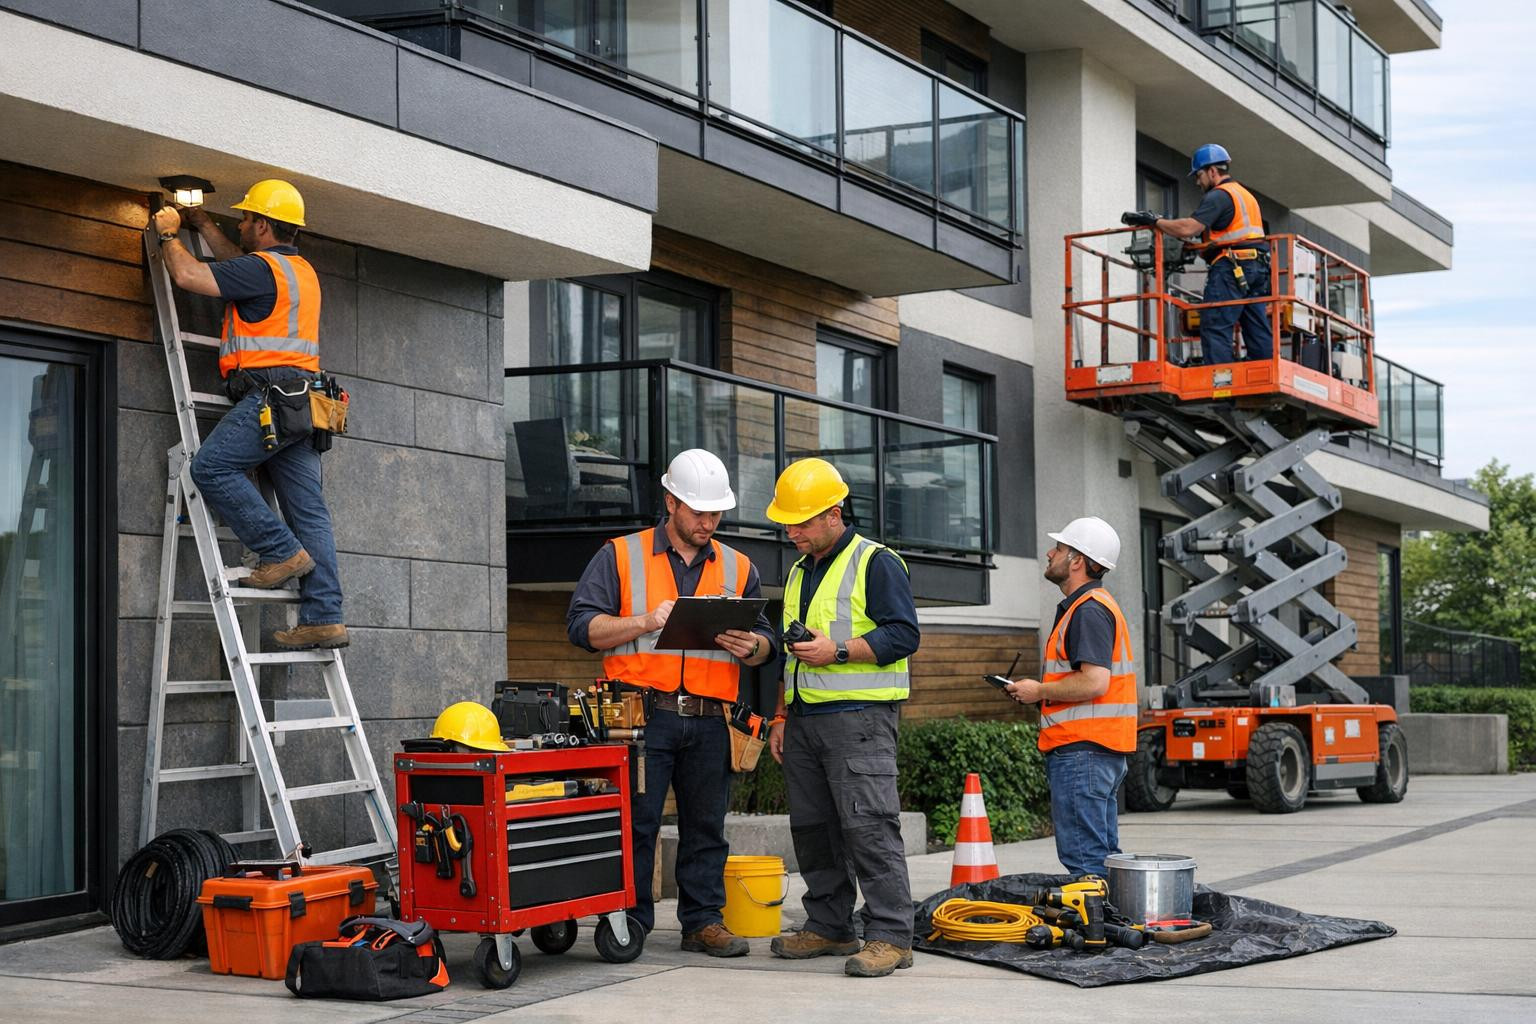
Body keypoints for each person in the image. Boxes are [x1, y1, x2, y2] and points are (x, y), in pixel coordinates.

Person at [566, 448, 777, 958]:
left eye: (715, 513)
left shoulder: (739, 565)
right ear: (670, 503)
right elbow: (581, 628)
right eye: (698, 511)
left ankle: (702, 922)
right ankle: (630, 920)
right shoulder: (620, 555)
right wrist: (642, 621)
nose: (708, 521)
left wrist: (754, 647)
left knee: (706, 826)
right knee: (635, 823)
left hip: (709, 719)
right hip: (638, 716)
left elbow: (767, 641)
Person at [152, 179, 345, 649]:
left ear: (262, 224)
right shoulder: (299, 271)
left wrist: (168, 234)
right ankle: (325, 617)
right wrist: (203, 224)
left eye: (244, 219)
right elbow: (241, 266)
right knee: (310, 513)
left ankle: (280, 552)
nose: (238, 224)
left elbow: (191, 277)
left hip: (271, 398)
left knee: (211, 467)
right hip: (305, 405)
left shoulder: (260, 271)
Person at [764, 458, 921, 979]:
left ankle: (891, 935)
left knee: (869, 828)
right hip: (807, 720)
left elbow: (904, 634)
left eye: (802, 522)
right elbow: (792, 652)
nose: (793, 532)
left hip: (859, 720)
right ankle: (830, 925)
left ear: (835, 513)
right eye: (787, 523)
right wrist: (783, 715)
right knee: (814, 831)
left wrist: (838, 651)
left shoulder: (876, 562)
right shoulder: (798, 570)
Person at [1003, 516, 1137, 879]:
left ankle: (1099, 933)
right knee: (1102, 857)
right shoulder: (1093, 606)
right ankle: (1111, 928)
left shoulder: (1088, 610)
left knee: (1086, 860)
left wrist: (1038, 691)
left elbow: (1094, 682)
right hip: (1097, 750)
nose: (1050, 553)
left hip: (1083, 750)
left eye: (1060, 549)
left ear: (1077, 560)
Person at [1125, 143, 1273, 366]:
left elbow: (1188, 228)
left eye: (1199, 175)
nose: (1197, 181)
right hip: (1257, 267)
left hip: (1232, 268)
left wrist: (1154, 221)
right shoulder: (1245, 195)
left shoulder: (1219, 195)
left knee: (1215, 324)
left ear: (1212, 171)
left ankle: (1221, 387)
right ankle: (1263, 377)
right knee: (1255, 325)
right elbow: (1225, 235)